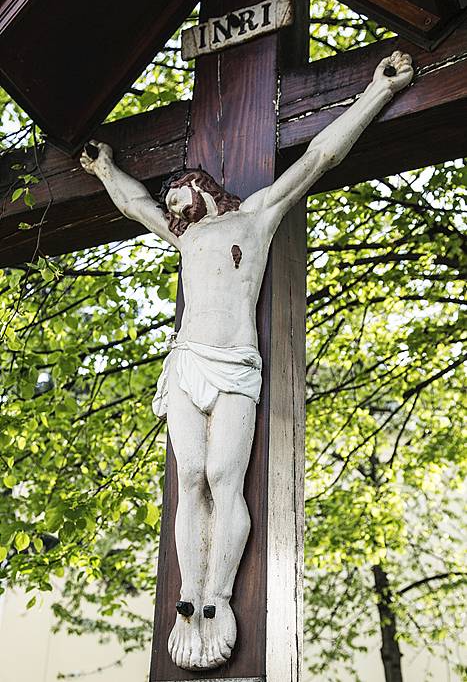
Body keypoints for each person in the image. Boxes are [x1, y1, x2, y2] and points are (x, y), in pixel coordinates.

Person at [80, 51, 413, 670]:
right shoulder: (182, 235)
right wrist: (105, 169)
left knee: (223, 479)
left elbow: (318, 158)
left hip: (235, 363)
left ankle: (218, 596)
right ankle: (187, 594)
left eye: (179, 191)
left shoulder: (255, 216)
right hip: (187, 362)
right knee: (190, 476)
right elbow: (132, 204)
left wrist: (376, 93)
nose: (171, 202)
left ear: (203, 189)